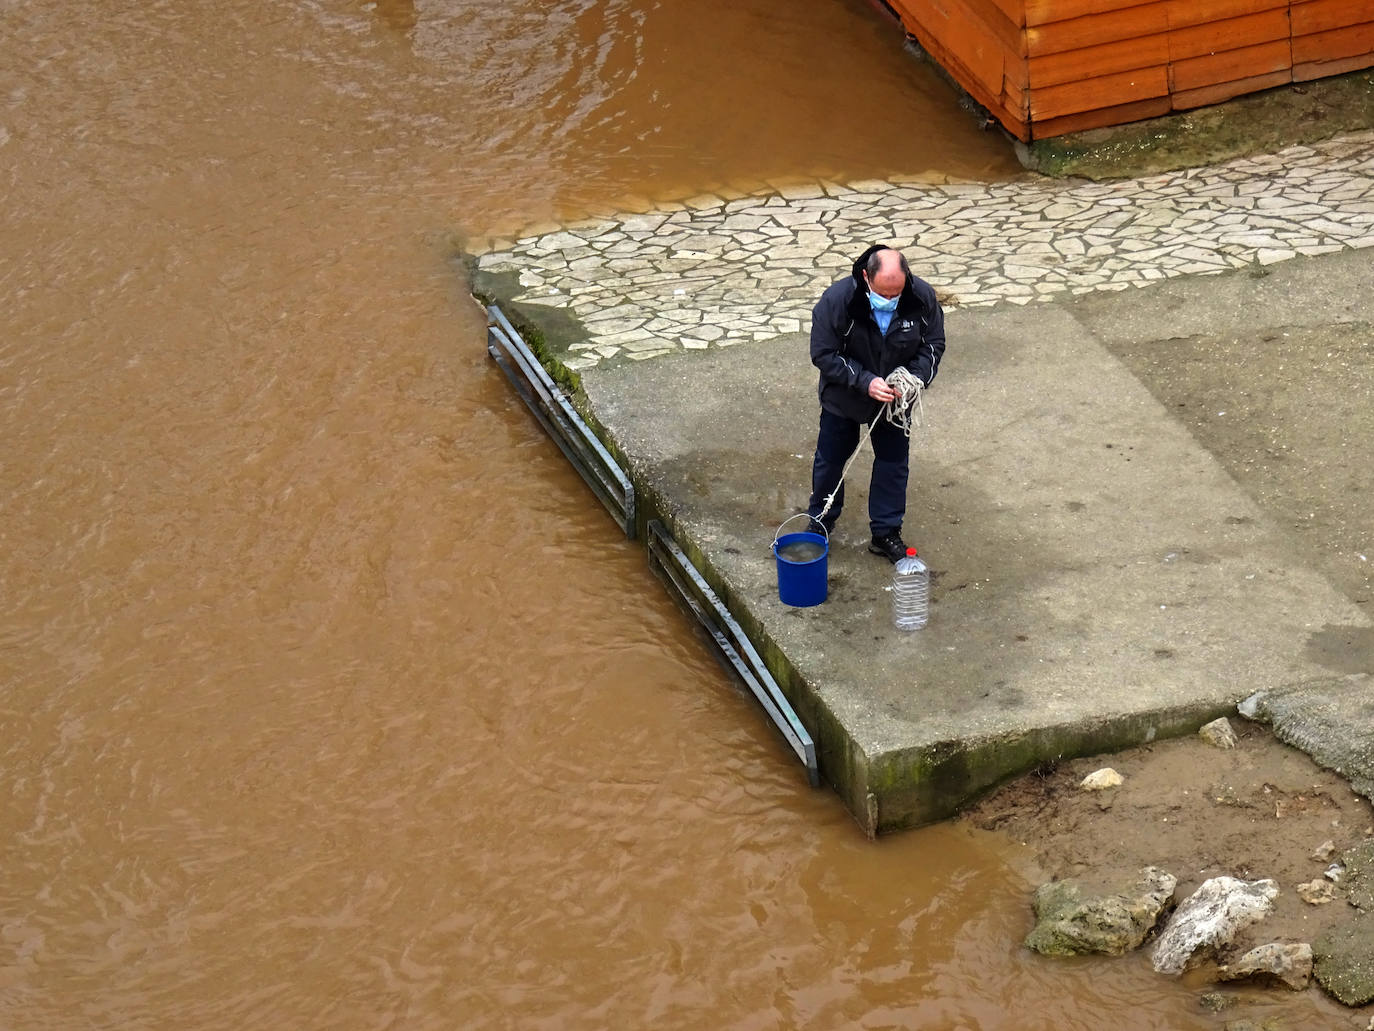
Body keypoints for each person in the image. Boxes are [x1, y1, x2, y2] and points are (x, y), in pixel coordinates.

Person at [806, 244, 946, 563]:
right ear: (866, 277)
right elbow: (823, 354)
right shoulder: (837, 301)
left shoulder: (921, 297)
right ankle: (820, 522)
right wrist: (865, 381)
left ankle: (886, 532)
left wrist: (912, 378)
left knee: (893, 465)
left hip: (895, 402)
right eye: (884, 292)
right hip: (844, 397)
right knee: (830, 461)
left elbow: (934, 345)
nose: (891, 299)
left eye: (896, 292)